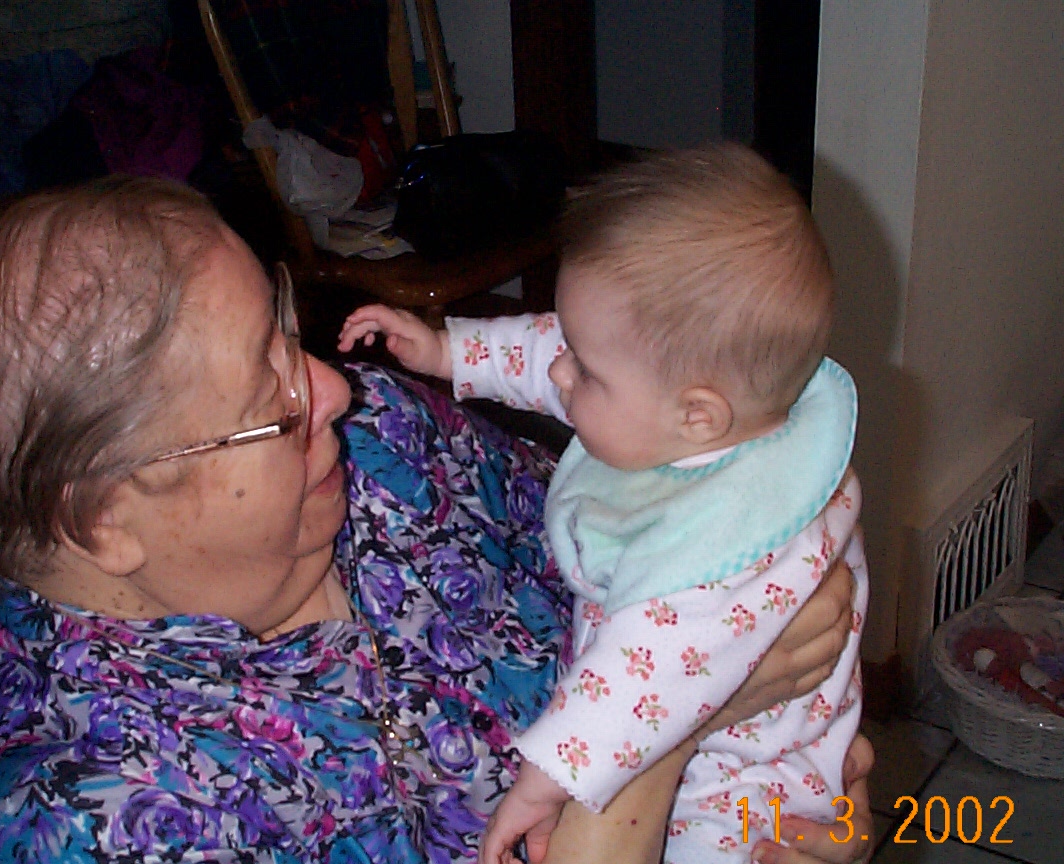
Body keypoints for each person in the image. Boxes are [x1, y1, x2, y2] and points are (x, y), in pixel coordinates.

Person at [0, 175, 874, 864]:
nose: (333, 388)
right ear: (103, 520)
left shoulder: (379, 443)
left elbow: (672, 536)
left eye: (285, 331)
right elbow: (695, 659)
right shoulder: (81, 822)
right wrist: (673, 736)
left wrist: (802, 776)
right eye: (271, 398)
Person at [338, 143, 867, 864]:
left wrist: (547, 779)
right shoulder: (700, 408)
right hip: (694, 741)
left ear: (698, 417)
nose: (559, 371)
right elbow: (560, 351)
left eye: (584, 370)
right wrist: (449, 353)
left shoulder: (728, 540)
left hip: (748, 786)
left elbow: (641, 672)